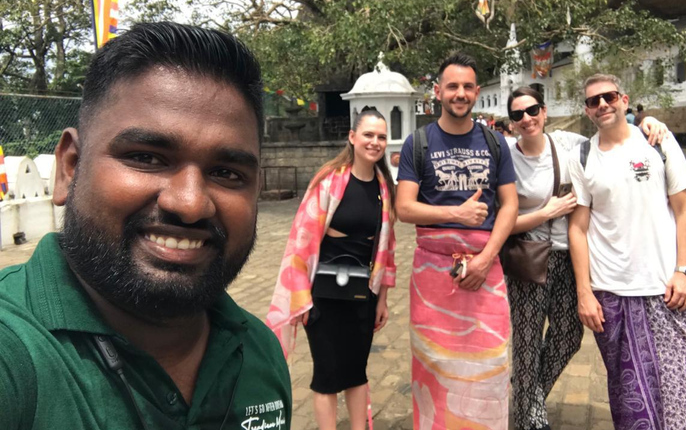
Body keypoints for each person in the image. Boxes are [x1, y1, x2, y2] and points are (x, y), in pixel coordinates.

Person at [0, 22, 291, 429]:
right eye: (147, 158)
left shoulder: (259, 354)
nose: (190, 204)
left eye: (226, 173)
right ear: (69, 168)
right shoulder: (15, 354)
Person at [505, 87, 668, 430]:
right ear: (511, 122)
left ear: (544, 111)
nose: (526, 119)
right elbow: (501, 221)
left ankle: (527, 393)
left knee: (567, 338)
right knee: (528, 341)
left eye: (532, 110)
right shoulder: (506, 155)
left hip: (566, 258)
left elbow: (611, 130)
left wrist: (647, 122)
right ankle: (528, 416)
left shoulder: (566, 145)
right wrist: (544, 212)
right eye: (517, 115)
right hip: (528, 259)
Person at [568, 74, 686, 430]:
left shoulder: (658, 142)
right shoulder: (582, 156)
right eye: (593, 101)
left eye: (609, 96)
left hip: (667, 286)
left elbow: (685, 208)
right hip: (612, 291)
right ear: (587, 111)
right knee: (631, 400)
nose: (602, 104)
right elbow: (578, 227)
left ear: (624, 100)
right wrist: (584, 292)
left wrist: (685, 270)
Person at [396, 52, 518, 430]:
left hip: (488, 270)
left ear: (477, 92)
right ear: (438, 91)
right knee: (435, 365)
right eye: (452, 86)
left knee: (489, 367)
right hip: (434, 278)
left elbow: (510, 205)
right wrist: (456, 215)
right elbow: (405, 207)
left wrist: (485, 259)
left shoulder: (496, 143)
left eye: (467, 86)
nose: (460, 93)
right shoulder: (417, 143)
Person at [267, 109, 397, 430]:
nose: (375, 142)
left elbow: (387, 249)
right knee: (326, 375)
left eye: (381, 136)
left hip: (362, 294)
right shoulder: (329, 180)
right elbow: (301, 243)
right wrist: (301, 299)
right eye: (368, 135)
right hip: (322, 295)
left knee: (357, 371)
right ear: (352, 138)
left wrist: (381, 300)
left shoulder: (384, 187)